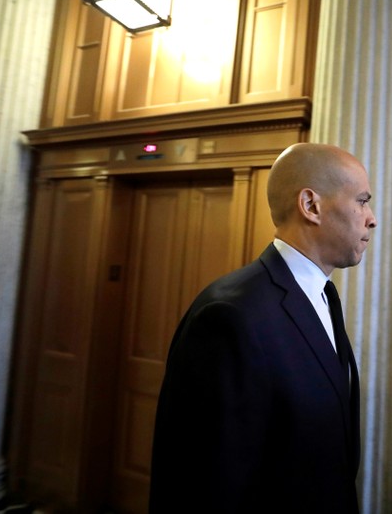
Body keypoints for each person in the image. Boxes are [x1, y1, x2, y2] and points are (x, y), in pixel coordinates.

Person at [149, 143, 377, 513]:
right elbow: (204, 481)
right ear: (311, 206)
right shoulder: (230, 315)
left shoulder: (325, 296)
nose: (372, 218)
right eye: (362, 201)